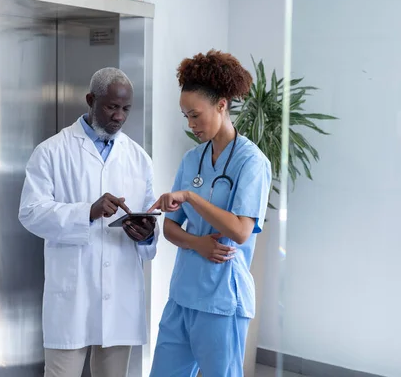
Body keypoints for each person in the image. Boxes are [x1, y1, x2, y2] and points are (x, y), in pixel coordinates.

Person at [18, 67, 158, 377]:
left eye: (125, 109)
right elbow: (29, 212)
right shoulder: (52, 151)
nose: (119, 116)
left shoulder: (139, 158)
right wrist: (87, 212)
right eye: (111, 106)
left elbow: (149, 221)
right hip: (73, 294)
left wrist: (147, 235)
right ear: (91, 100)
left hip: (120, 291)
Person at [147, 50, 272, 377]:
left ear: (221, 105)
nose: (191, 124)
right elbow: (171, 228)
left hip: (222, 302)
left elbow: (241, 231)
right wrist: (196, 243)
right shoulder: (192, 159)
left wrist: (190, 196)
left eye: (195, 115)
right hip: (182, 297)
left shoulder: (252, 162)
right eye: (185, 116)